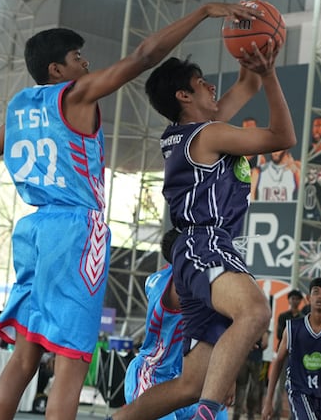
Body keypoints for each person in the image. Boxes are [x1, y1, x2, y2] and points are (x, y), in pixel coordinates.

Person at [0, 2, 261, 420]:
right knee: (73, 357)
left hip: (33, 229)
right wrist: (201, 14)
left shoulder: (19, 110)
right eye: (77, 58)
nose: (86, 63)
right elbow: (144, 56)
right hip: (75, 228)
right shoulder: (75, 95)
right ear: (57, 70)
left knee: (25, 356)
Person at [112, 35, 294, 420]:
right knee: (256, 311)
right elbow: (283, 138)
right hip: (204, 242)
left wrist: (252, 49)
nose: (214, 87)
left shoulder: (193, 131)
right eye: (203, 83)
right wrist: (272, 75)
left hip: (197, 250)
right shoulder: (207, 134)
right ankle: (207, 415)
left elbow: (247, 84)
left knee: (190, 384)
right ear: (183, 96)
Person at [124, 229, 229, 420]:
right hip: (152, 379)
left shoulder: (163, 276)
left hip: (187, 380)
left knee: (219, 415)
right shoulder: (179, 288)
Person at [261, 277, 321, 420]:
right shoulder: (292, 327)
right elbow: (278, 362)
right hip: (297, 390)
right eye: (316, 292)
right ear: (309, 298)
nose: (320, 296)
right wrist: (268, 401)